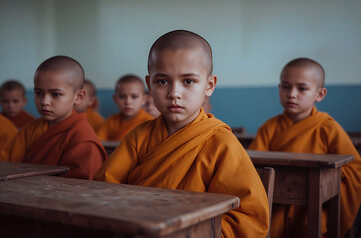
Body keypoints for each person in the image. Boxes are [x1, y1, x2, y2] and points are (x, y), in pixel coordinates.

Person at [95, 30, 269, 237]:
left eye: (188, 81)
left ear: (209, 85)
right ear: (149, 84)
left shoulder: (222, 143)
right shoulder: (138, 137)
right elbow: (103, 190)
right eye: (162, 81)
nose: (174, 93)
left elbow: (249, 218)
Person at [249, 57, 361, 237]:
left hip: (314, 206)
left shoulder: (328, 128)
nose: (292, 94)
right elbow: (252, 167)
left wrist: (324, 179)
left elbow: (354, 168)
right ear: (279, 89)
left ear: (320, 94)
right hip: (274, 205)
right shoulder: (269, 127)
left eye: (302, 88)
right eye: (286, 86)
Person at [7, 56, 107, 180]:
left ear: (79, 97)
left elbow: (81, 189)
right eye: (39, 93)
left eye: (56, 94)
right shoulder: (31, 128)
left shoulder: (82, 139)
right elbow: (8, 163)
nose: (44, 101)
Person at [96, 74, 153, 141]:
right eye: (122, 96)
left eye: (134, 96)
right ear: (115, 99)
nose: (128, 102)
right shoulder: (111, 122)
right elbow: (99, 142)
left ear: (143, 99)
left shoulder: (149, 123)